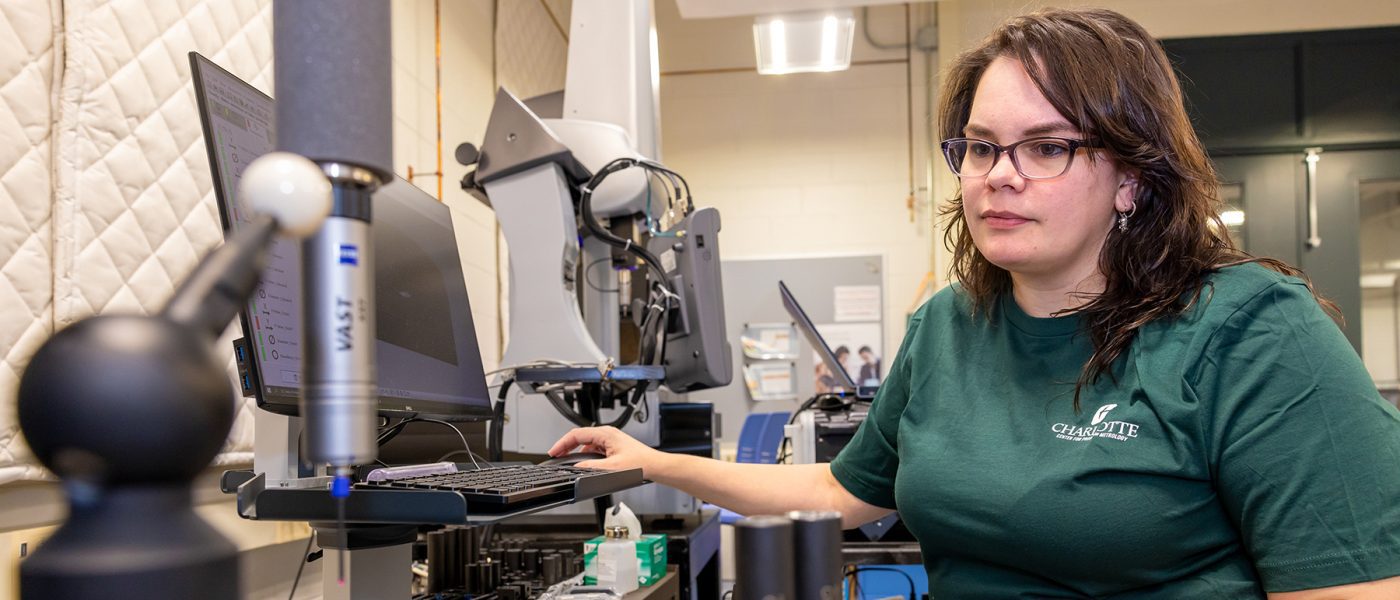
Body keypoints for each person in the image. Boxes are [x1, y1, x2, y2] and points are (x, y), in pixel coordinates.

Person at [549, 7, 1400, 597]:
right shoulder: (949, 327)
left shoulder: (1251, 332)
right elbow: (848, 491)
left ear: (1133, 180)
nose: (1000, 172)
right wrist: (652, 463)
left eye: (1047, 147)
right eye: (981, 146)